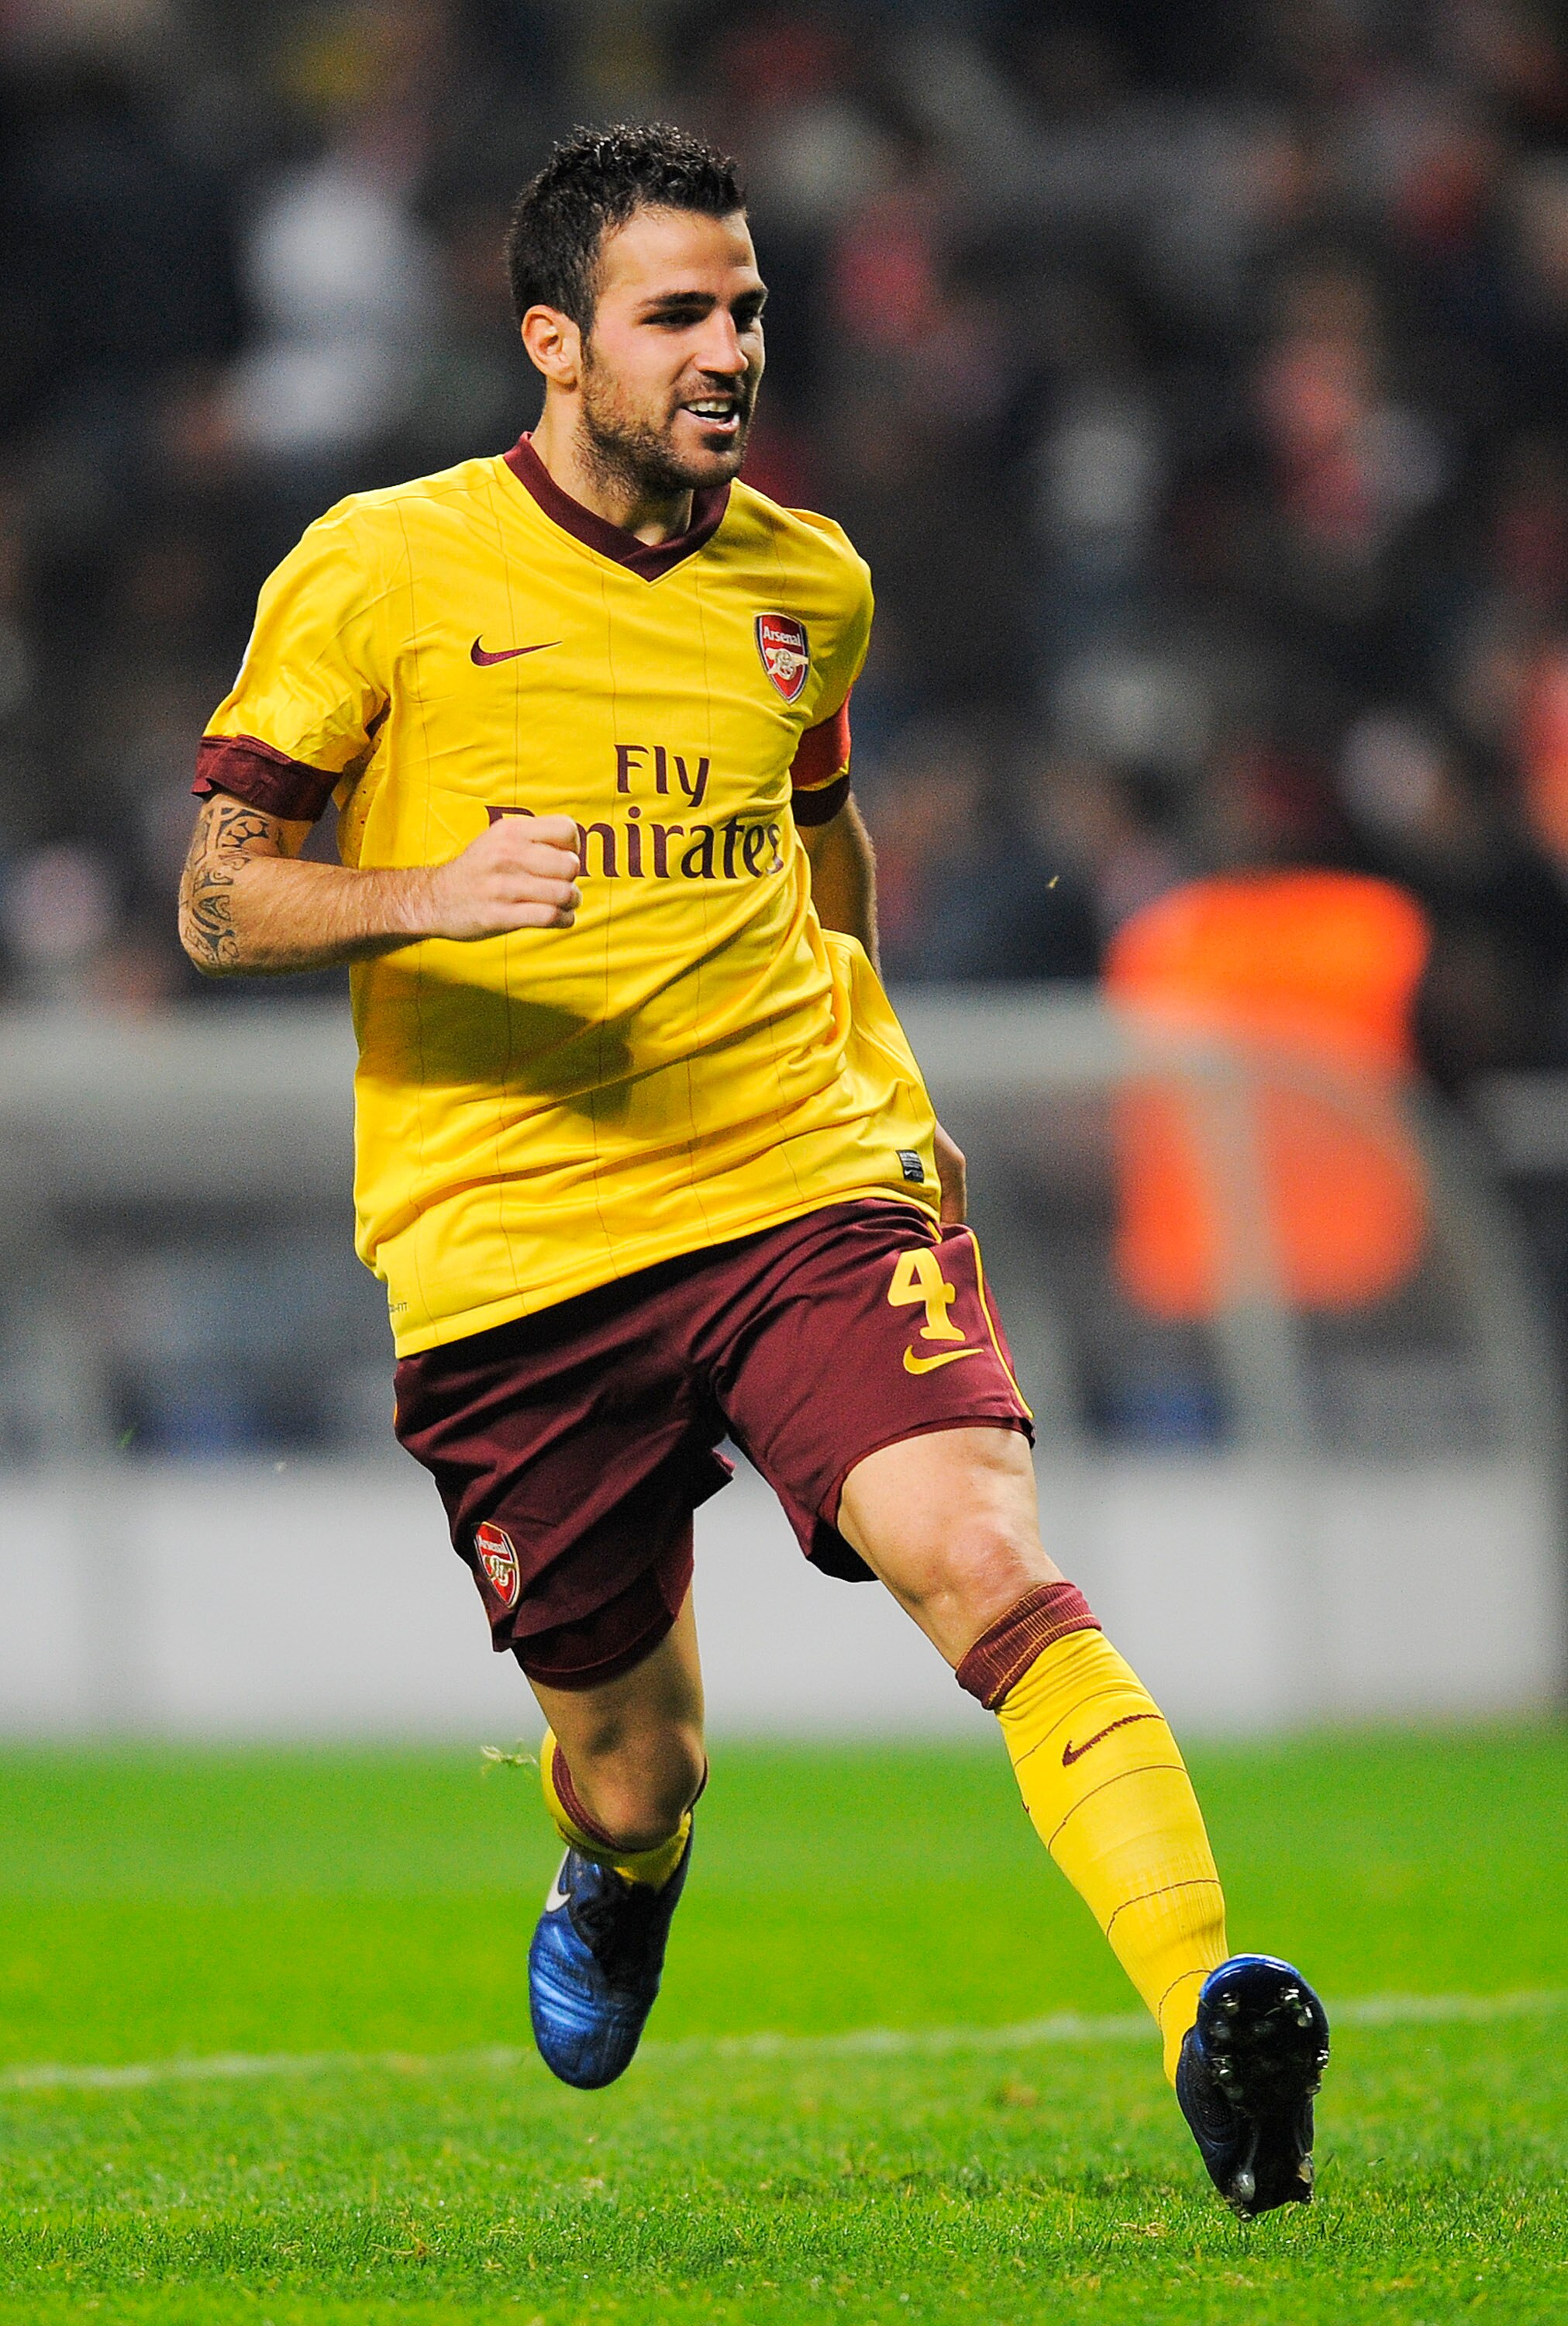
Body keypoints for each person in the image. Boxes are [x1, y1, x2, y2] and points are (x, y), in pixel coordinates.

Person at [177, 123, 1327, 2217]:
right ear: (554, 343)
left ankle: (1210, 2020)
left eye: (752, 311)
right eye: (679, 315)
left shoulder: (809, 583)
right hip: (515, 1241)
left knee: (975, 1547)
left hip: (799, 1172)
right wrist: (431, 888)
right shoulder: (383, 568)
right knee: (637, 1760)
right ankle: (626, 1868)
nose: (730, 352)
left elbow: (823, 848)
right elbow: (221, 900)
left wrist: (887, 1063)